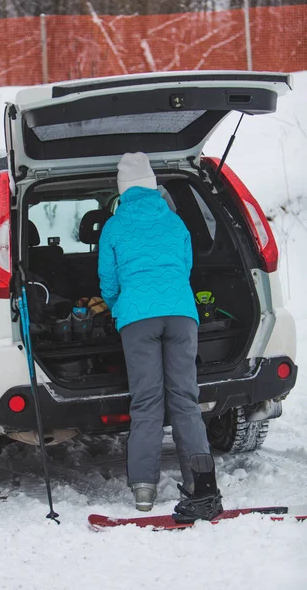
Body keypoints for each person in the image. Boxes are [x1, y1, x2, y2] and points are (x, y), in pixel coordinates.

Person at [98, 152, 223, 521]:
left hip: (138, 319)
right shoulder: (175, 222)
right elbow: (186, 266)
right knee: (185, 397)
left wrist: (121, 307)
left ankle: (143, 491)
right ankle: (201, 483)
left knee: (147, 401)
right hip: (182, 316)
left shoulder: (114, 227)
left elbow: (108, 281)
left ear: (123, 190)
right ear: (153, 186)